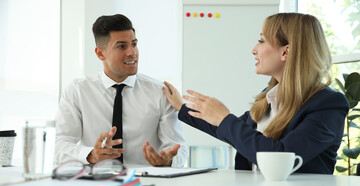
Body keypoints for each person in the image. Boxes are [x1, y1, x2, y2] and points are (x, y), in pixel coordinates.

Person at [162, 13, 349, 174]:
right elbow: (233, 132)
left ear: (286, 52)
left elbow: (280, 158)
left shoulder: (329, 105)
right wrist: (181, 106)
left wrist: (224, 118)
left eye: (261, 41)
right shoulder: (270, 96)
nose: (254, 49)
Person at [55, 14, 188, 167]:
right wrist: (91, 154)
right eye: (121, 46)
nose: (132, 52)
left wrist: (168, 160)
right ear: (100, 53)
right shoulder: (78, 90)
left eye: (134, 44)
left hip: (148, 182)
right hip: (96, 182)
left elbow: (180, 149)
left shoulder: (160, 93)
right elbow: (60, 146)